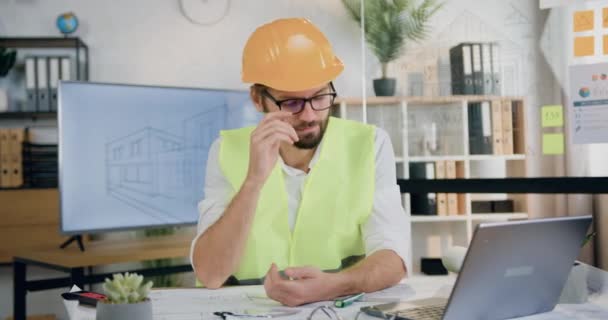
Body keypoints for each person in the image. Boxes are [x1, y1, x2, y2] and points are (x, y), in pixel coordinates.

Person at [190, 17, 409, 307]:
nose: (308, 116)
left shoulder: (371, 145)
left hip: (339, 308)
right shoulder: (225, 151)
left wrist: (334, 285)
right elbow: (211, 274)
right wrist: (254, 180)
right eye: (291, 103)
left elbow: (394, 258)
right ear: (258, 99)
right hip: (247, 310)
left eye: (319, 96)